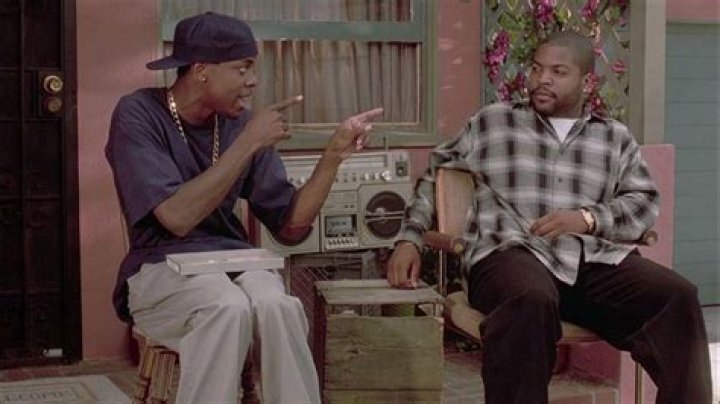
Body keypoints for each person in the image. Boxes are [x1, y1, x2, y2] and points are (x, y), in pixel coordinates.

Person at [387, 31, 712, 404]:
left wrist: (587, 219)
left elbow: (643, 203)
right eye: (537, 68)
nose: (543, 79)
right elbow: (434, 175)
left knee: (677, 297)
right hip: (509, 255)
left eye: (558, 72)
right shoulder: (494, 122)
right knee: (531, 298)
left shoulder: (614, 138)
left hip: (589, 262)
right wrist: (410, 238)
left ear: (587, 82)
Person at [106, 12, 382, 404]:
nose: (253, 81)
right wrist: (249, 143)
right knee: (226, 307)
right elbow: (176, 218)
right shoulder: (138, 113)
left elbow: (291, 227)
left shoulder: (239, 125)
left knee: (277, 306)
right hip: (157, 268)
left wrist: (333, 155)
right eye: (242, 68)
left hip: (232, 263)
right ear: (201, 70)